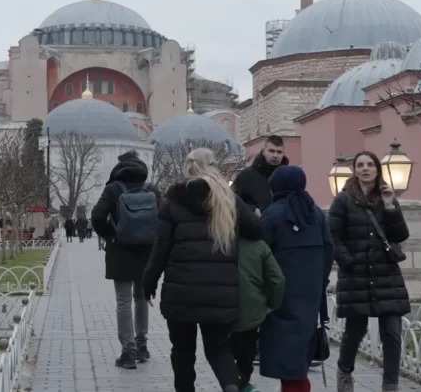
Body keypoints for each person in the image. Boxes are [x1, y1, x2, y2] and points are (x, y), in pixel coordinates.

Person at [143, 148, 263, 392]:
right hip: (221, 293)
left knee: (182, 351)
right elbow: (257, 230)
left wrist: (149, 281)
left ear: (188, 166)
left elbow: (161, 248)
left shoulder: (172, 199)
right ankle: (231, 387)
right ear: (212, 165)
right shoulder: (228, 198)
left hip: (181, 292)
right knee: (219, 350)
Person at [329, 151, 411, 392]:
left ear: (377, 169)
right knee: (355, 331)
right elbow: (332, 235)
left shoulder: (386, 197)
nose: (365, 169)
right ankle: (345, 373)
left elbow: (400, 235)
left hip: (386, 276)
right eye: (360, 165)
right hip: (356, 276)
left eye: (370, 165)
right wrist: (348, 261)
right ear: (355, 170)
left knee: (392, 334)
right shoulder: (342, 201)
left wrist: (389, 207)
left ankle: (390, 385)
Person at [258, 165, 334, 392]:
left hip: (280, 296)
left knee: (287, 357)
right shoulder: (316, 213)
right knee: (298, 356)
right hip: (311, 296)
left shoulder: (272, 214)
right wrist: (319, 280)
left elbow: (261, 254)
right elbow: (329, 249)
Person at [91, 150, 159, 369]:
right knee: (142, 298)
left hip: (120, 251)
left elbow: (97, 216)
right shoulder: (151, 189)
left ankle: (127, 352)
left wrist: (110, 235)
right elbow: (165, 217)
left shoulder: (113, 189)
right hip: (146, 252)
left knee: (123, 301)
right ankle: (142, 345)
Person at [229, 223, 285, 392]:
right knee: (246, 355)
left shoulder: (221, 244)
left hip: (224, 309)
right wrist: (272, 305)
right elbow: (278, 280)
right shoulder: (260, 246)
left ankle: (238, 384)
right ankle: (243, 382)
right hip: (252, 312)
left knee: (224, 356)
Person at [232, 135, 288, 212]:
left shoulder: (288, 177)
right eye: (271, 151)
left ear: (283, 154)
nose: (275, 155)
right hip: (256, 222)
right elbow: (231, 201)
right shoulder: (245, 176)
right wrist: (253, 211)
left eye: (279, 152)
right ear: (263, 151)